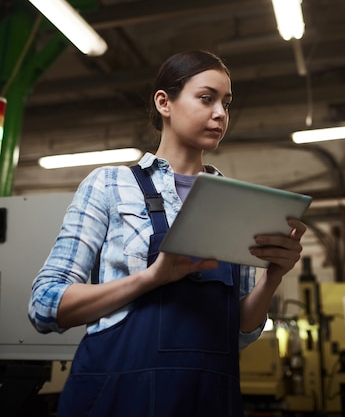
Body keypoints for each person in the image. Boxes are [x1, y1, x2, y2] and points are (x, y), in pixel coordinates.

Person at [29, 49, 306, 417]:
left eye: (226, 102)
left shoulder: (237, 203)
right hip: (119, 394)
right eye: (206, 98)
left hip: (208, 396)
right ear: (165, 102)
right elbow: (45, 305)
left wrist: (272, 278)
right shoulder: (109, 185)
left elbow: (237, 332)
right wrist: (150, 279)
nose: (220, 113)